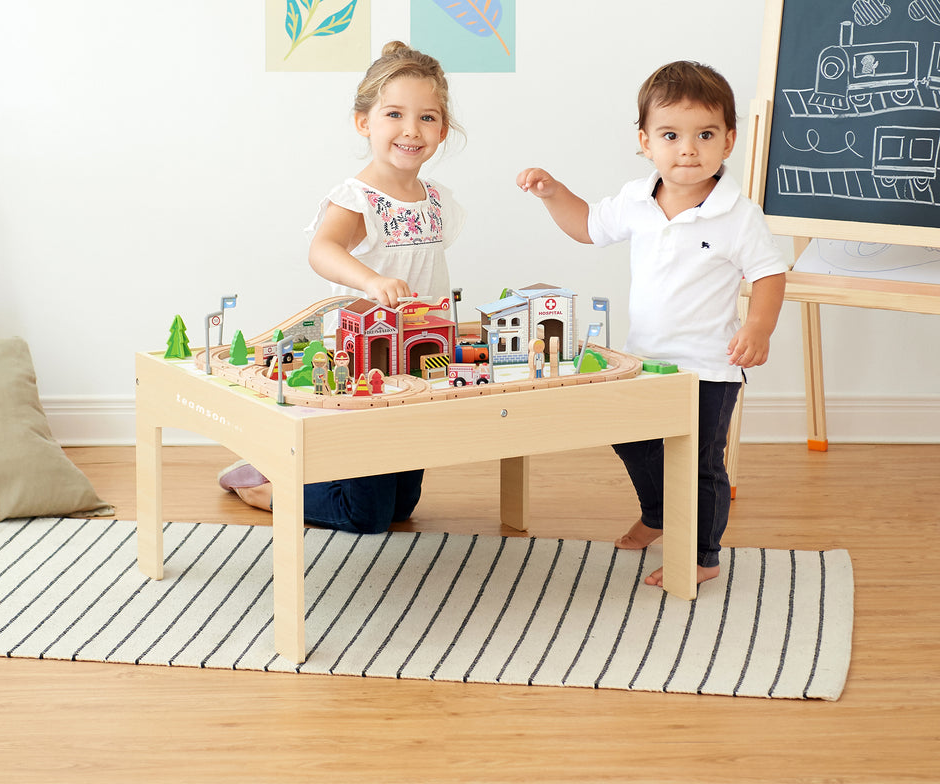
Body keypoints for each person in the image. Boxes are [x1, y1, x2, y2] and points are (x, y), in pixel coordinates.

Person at [516, 60, 786, 588]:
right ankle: (660, 513)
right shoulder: (637, 202)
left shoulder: (738, 214)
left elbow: (771, 274)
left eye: (704, 135)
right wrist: (553, 193)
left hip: (710, 366)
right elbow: (587, 226)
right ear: (645, 142)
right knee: (631, 439)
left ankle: (702, 554)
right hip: (646, 361)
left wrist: (758, 327)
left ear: (729, 141)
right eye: (671, 135)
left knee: (702, 461)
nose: (688, 148)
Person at [219, 40, 465, 533]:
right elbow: (323, 251)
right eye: (394, 114)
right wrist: (372, 281)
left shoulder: (435, 199)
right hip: (366, 360)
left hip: (417, 356)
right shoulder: (358, 197)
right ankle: (268, 483)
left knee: (401, 507)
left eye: (428, 117)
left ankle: (321, 483)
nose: (411, 130)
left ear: (442, 129)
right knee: (367, 515)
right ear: (364, 122)